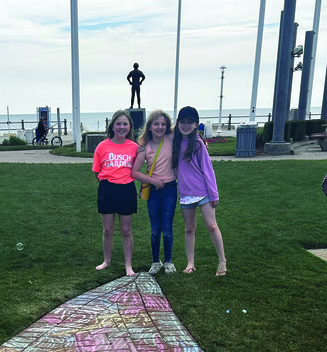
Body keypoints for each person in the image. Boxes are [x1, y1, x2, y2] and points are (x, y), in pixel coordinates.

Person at [173, 106, 226, 276]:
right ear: (178, 123)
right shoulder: (174, 142)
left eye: (190, 122)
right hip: (186, 193)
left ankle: (222, 261)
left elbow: (207, 169)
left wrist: (214, 193)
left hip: (203, 191)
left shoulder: (198, 143)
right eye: (183, 122)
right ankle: (190, 263)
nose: (186, 125)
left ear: (196, 124)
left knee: (211, 225)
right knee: (189, 228)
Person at [92, 109, 138, 277]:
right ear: (112, 126)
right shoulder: (102, 146)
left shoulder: (134, 147)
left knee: (126, 230)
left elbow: (139, 169)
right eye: (118, 124)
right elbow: (96, 171)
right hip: (107, 190)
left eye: (125, 124)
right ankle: (107, 260)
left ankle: (128, 265)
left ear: (129, 127)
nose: (121, 127)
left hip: (127, 190)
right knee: (108, 229)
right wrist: (107, 184)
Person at [132, 109, 177, 274]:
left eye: (163, 124)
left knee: (167, 228)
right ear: (149, 126)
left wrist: (201, 138)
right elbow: (135, 172)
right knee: (155, 228)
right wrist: (153, 181)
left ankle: (168, 261)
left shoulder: (170, 138)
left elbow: (187, 131)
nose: (160, 127)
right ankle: (155, 261)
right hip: (154, 192)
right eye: (156, 124)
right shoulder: (144, 147)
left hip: (171, 190)